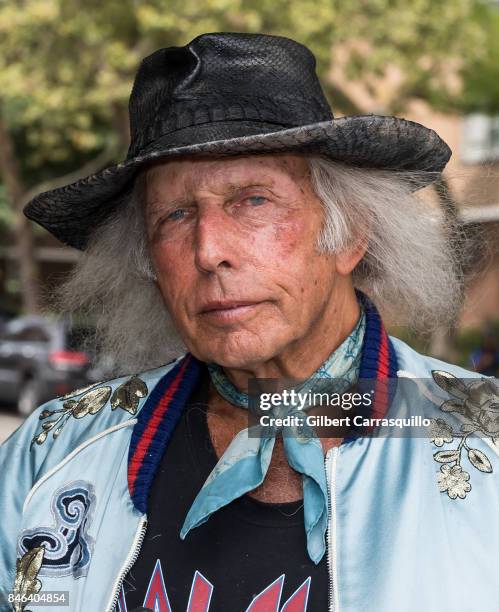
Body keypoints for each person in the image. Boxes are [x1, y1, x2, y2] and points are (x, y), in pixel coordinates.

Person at [1, 32, 498, 612]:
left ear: (350, 234)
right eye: (175, 215)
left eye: (254, 201)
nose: (209, 250)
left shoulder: (486, 439)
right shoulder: (53, 448)